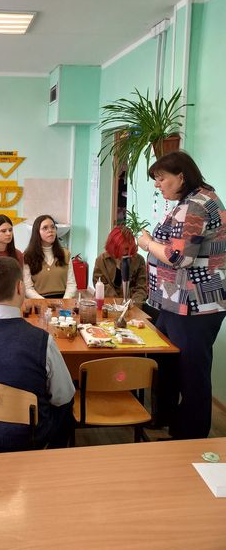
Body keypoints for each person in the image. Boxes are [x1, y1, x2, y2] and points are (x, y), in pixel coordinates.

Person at [137, 151, 226, 439]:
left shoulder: (196, 206)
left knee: (191, 372)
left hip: (195, 304)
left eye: (161, 178)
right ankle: (164, 417)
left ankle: (190, 436)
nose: (157, 185)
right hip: (174, 301)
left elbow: (179, 257)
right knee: (166, 362)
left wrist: (147, 243)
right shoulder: (190, 201)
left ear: (181, 177)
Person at [0, 256, 75, 452]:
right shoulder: (42, 341)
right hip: (27, 439)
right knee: (66, 408)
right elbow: (63, 396)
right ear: (20, 287)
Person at [23, 214, 77, 299]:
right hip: (39, 301)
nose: (50, 230)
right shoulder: (28, 256)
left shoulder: (65, 254)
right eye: (45, 228)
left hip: (63, 300)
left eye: (53, 227)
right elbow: (28, 288)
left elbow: (71, 284)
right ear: (37, 232)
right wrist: (45, 303)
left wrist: (64, 302)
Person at [93, 225, 147, 307]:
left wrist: (134, 303)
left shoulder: (139, 260)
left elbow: (141, 288)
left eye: (127, 248)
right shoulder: (101, 260)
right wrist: (118, 303)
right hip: (107, 304)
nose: (125, 252)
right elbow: (100, 285)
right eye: (120, 249)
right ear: (113, 246)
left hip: (131, 306)